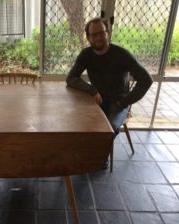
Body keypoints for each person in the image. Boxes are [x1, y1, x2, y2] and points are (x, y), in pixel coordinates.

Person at [66, 18, 153, 167]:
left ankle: (99, 158)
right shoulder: (86, 54)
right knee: (72, 122)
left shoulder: (122, 54)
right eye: (93, 35)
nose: (98, 38)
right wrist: (92, 90)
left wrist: (124, 101)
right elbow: (71, 78)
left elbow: (146, 80)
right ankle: (82, 153)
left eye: (101, 33)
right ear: (88, 37)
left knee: (109, 128)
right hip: (96, 100)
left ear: (108, 33)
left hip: (118, 103)